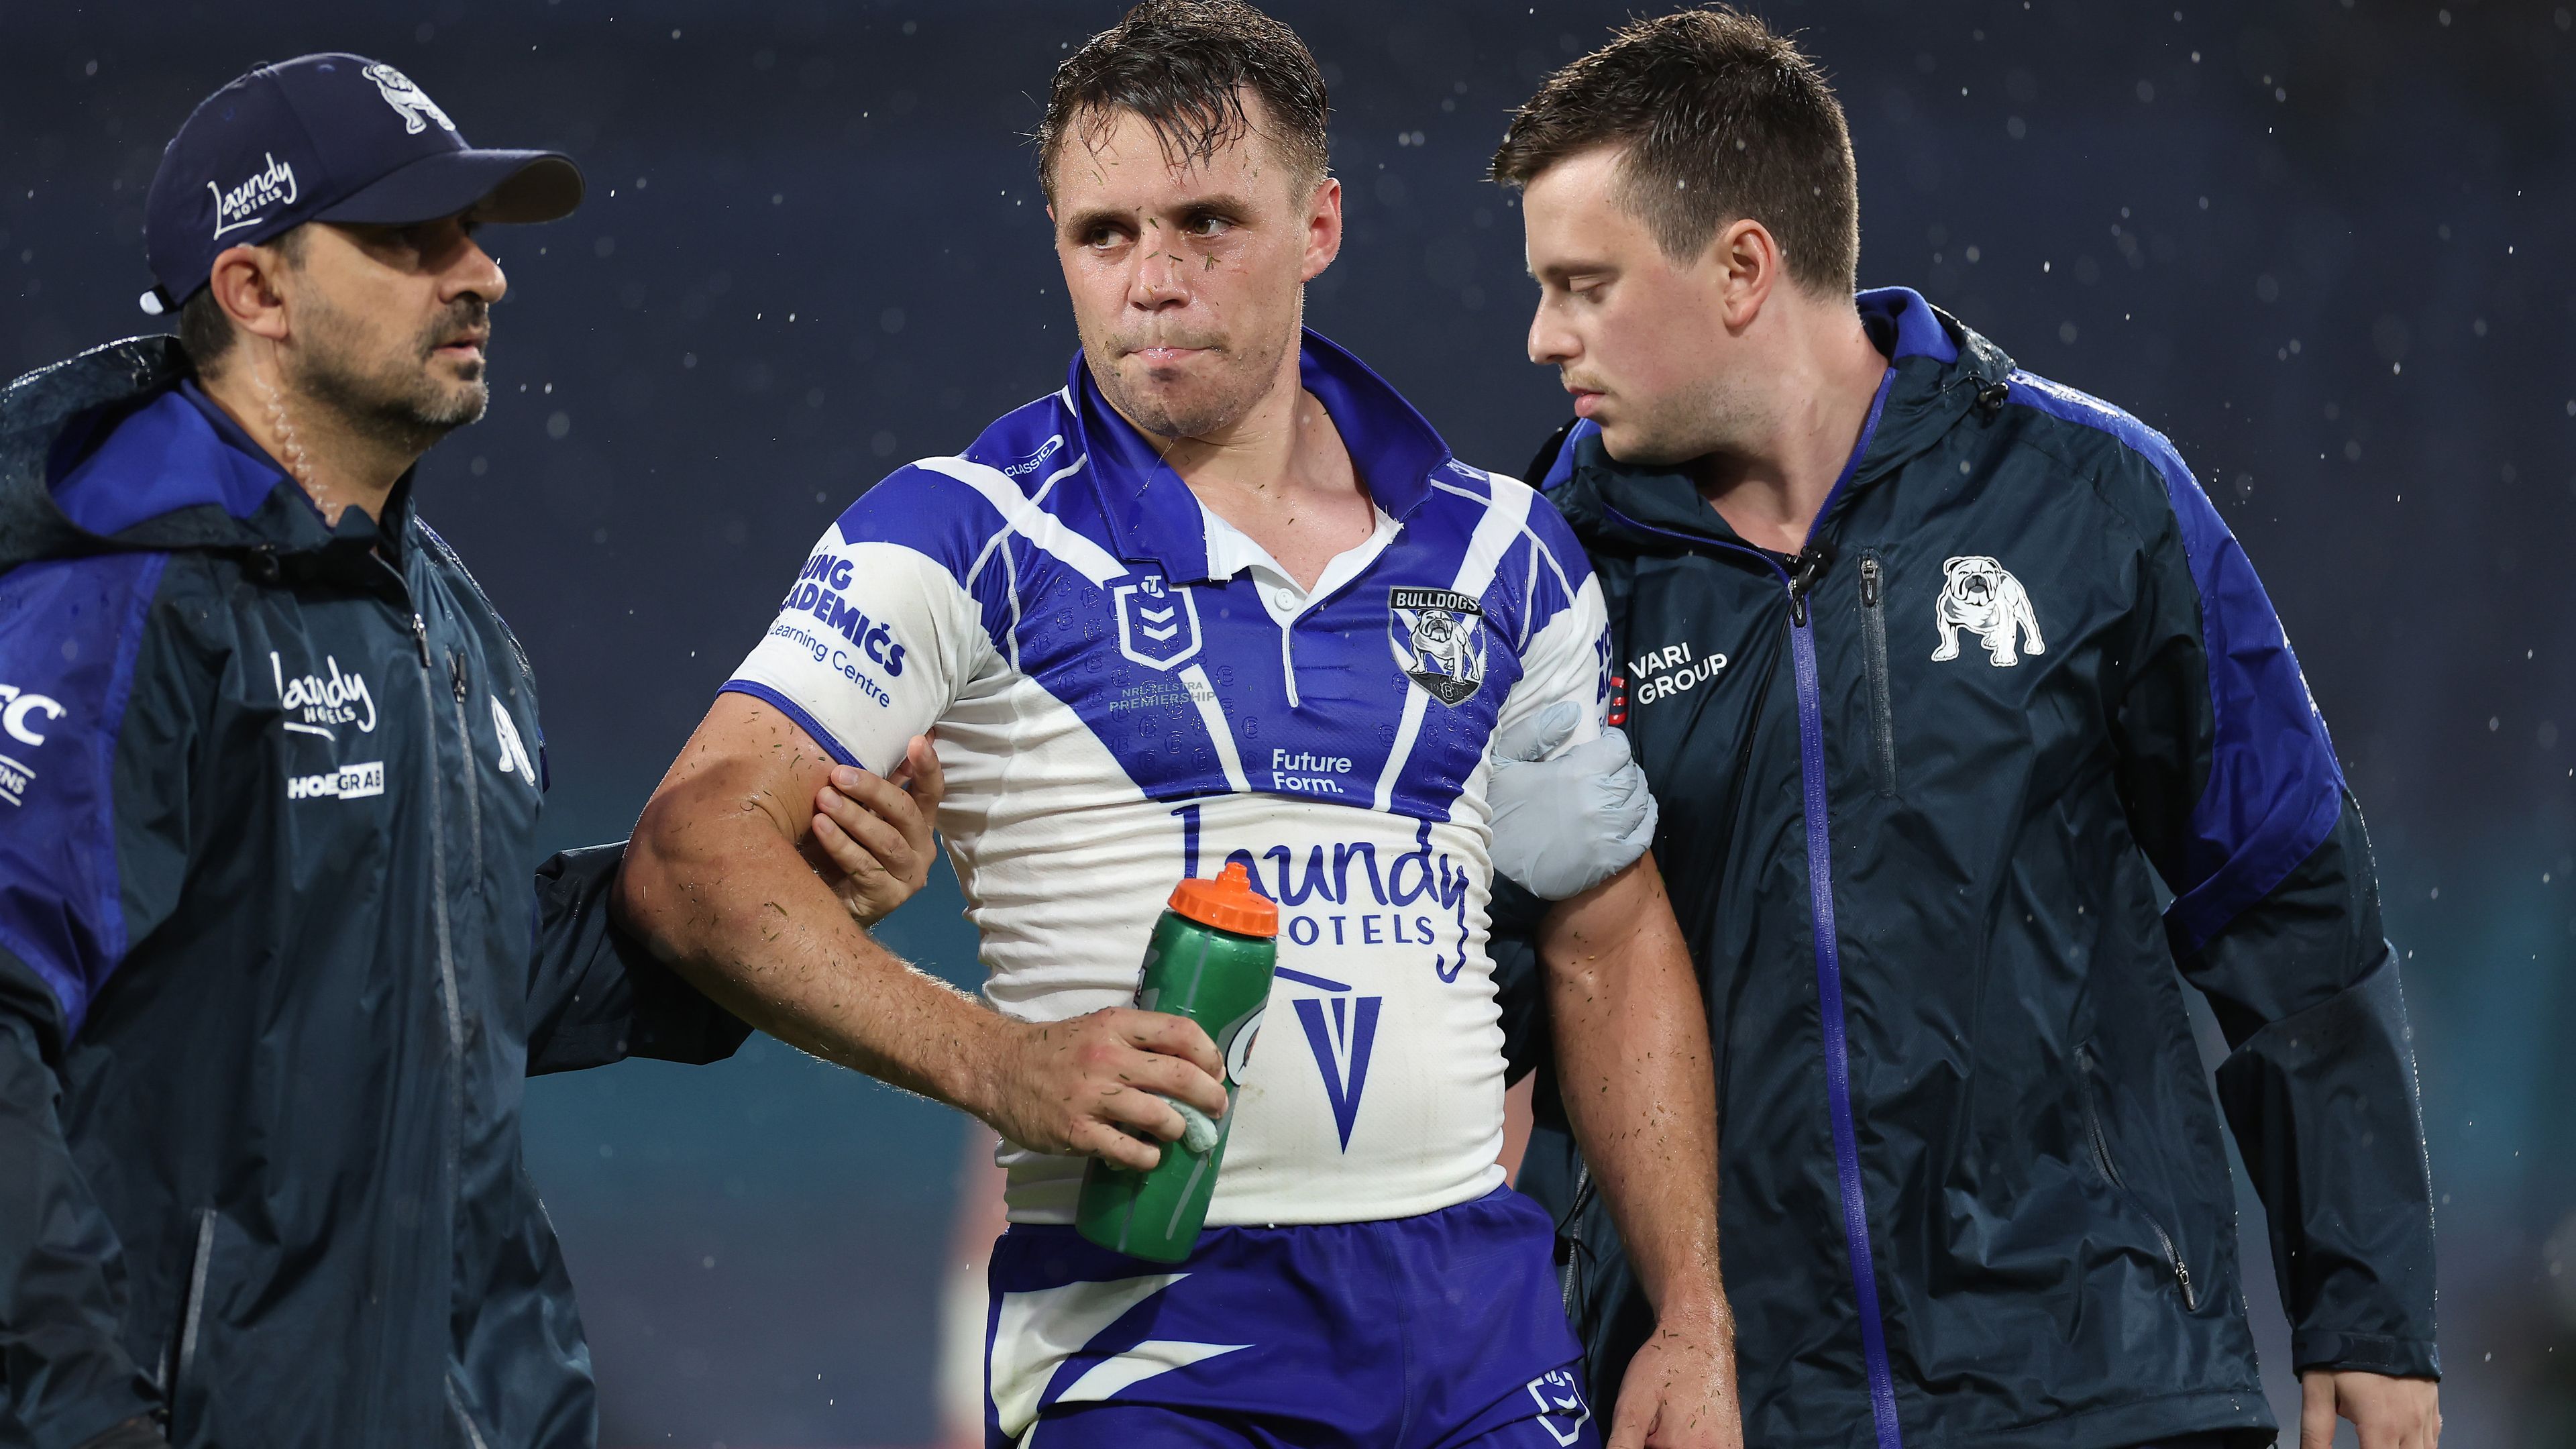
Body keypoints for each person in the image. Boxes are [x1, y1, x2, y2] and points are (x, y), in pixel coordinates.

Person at [613, 3, 1737, 1446]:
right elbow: (693, 851)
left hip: (1485, 1341)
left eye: (1207, 223)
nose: (1152, 281)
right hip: (1152, 1349)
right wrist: (999, 1064)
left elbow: (1605, 933)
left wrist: (1692, 1315)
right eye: (1104, 234)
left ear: (1321, 222)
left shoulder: (1501, 553)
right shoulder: (963, 533)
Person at [1481, 10, 2443, 1449]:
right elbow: (1475, 1014)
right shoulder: (1539, 572)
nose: (1544, 333)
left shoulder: (2094, 501)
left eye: (1584, 286)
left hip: (2101, 1390)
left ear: (1743, 268)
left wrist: (2363, 1307)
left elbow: (2288, 901)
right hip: (1723, 1405)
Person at [0, 54, 898, 1449]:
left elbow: (464, 979)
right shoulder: (107, 600)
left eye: (473, 235)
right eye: (408, 240)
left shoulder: (436, 608)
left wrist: (777, 897)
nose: (479, 275)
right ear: (255, 290)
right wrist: (77, 1419)